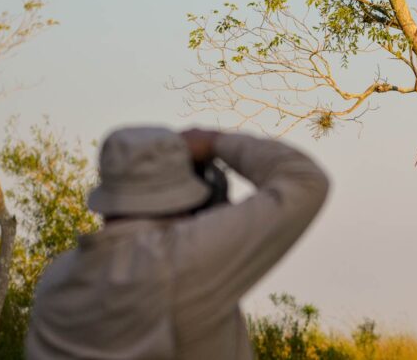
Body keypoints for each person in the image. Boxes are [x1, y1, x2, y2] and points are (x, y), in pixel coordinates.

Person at [25, 126, 329, 359]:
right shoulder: (184, 259)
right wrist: (214, 141)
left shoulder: (56, 278)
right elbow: (305, 180)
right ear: (186, 194)